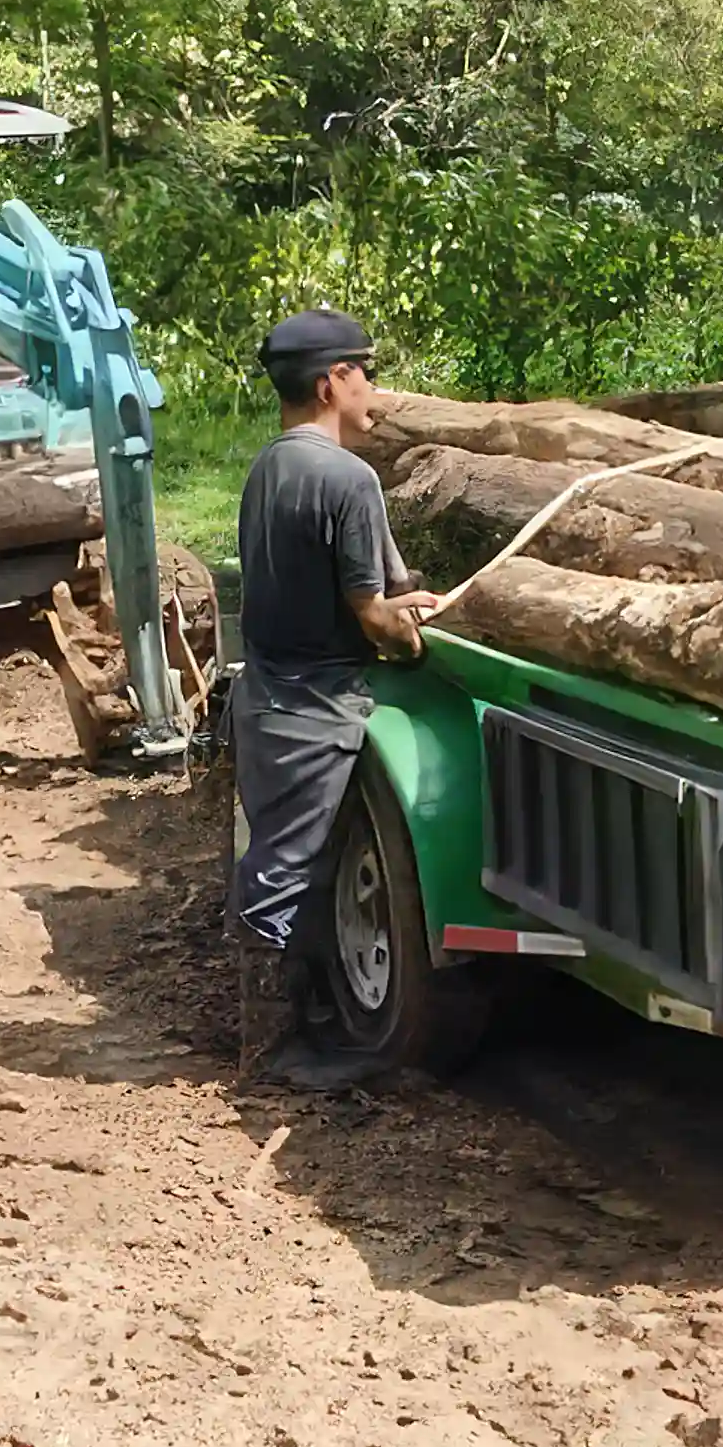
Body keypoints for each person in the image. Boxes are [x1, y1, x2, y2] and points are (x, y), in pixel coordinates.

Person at [227, 308, 440, 1066]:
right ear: (330, 383)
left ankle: (290, 1030)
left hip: (267, 697)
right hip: (317, 706)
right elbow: (370, 613)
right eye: (365, 373)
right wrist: (411, 631)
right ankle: (270, 1049)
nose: (374, 391)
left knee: (284, 860)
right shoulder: (350, 479)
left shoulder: (268, 467)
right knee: (283, 873)